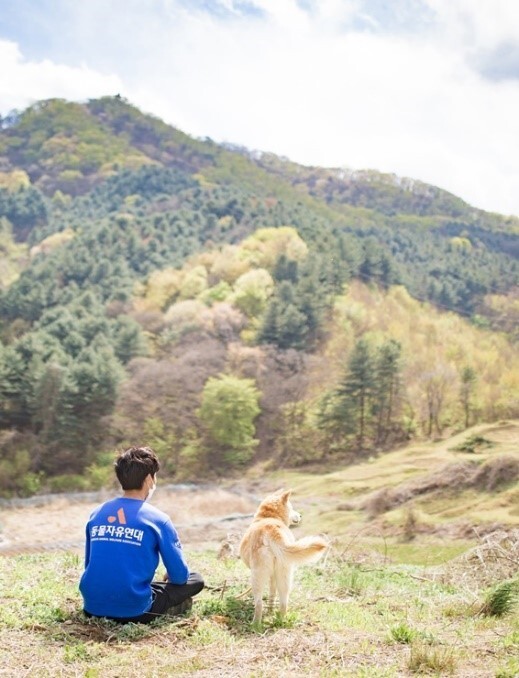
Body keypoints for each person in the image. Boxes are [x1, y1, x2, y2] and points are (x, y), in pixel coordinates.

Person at [79, 446, 204, 623]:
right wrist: (172, 573)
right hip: (135, 611)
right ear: (149, 479)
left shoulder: (97, 513)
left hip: (92, 607)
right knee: (195, 579)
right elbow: (179, 577)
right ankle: (172, 608)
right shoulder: (158, 519)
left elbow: (89, 564)